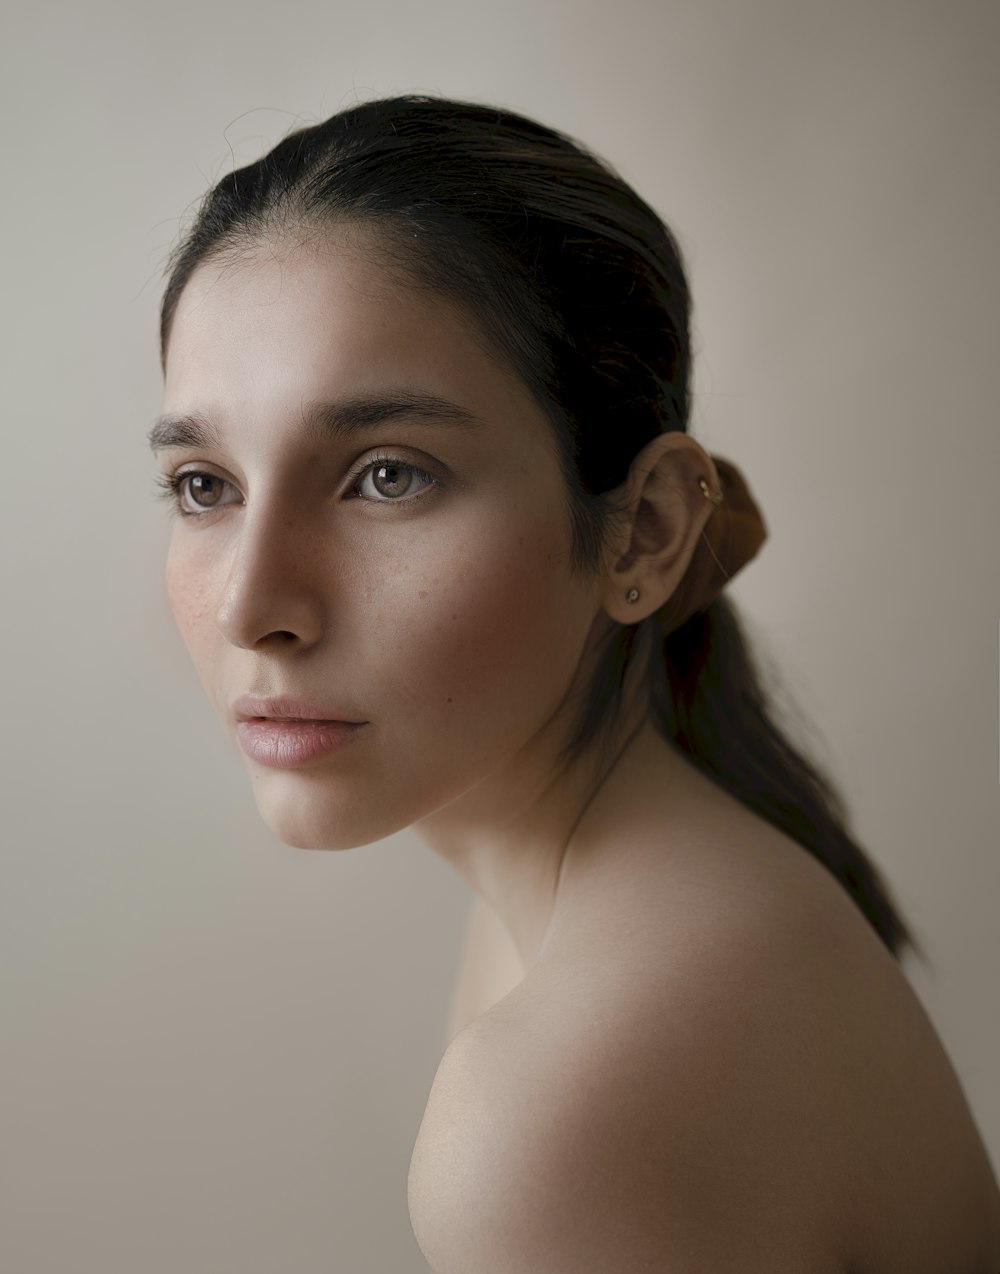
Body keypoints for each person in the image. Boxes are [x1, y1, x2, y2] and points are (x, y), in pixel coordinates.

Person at [151, 95, 1000, 1271]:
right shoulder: (623, 890)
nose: (252, 607)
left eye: (386, 474)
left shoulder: (560, 1100)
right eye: (204, 484)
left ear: (643, 530)